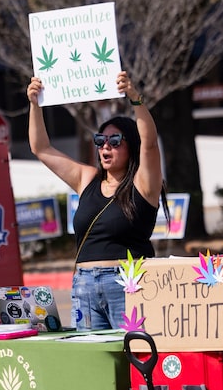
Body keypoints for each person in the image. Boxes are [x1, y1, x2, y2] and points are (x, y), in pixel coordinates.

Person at [27, 71, 168, 332]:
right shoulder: (87, 178)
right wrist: (35, 104)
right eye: (100, 141)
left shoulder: (144, 184)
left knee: (136, 358)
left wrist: (136, 99)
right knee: (94, 364)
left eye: (115, 141)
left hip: (126, 285)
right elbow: (41, 148)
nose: (105, 147)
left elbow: (149, 144)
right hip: (84, 287)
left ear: (131, 147)